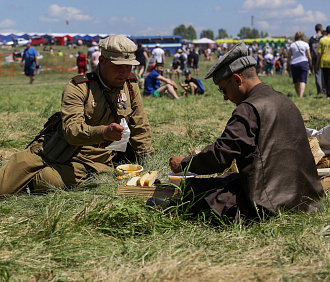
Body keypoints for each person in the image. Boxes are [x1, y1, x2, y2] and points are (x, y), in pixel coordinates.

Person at [168, 41, 324, 222]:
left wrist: (185, 163)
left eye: (223, 90)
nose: (225, 97)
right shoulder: (285, 100)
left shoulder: (249, 109)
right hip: (306, 199)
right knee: (229, 179)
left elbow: (220, 156)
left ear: (237, 80)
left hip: (269, 204)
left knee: (191, 189)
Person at [0, 34, 154, 195]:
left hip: (89, 161)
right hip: (52, 148)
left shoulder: (130, 86)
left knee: (46, 180)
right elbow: (72, 132)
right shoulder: (78, 87)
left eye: (128, 66)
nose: (124, 72)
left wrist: (145, 162)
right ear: (102, 61)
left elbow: (140, 126)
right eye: (118, 66)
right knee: (3, 187)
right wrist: (103, 133)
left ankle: (31, 186)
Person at [287, 32, 312, 98]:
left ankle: (298, 94)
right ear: (302, 37)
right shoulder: (306, 44)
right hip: (303, 62)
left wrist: (287, 65)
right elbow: (309, 56)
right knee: (302, 80)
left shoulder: (292, 45)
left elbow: (289, 56)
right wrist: (310, 64)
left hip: (294, 63)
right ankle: (301, 96)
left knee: (296, 81)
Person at [309, 24, 324, 94]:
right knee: (324, 75)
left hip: (314, 58)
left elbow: (310, 49)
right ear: (321, 29)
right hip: (323, 57)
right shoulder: (323, 38)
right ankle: (325, 90)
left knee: (317, 75)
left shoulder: (312, 38)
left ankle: (319, 91)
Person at [316, 25, 330, 100]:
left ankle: (328, 95)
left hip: (324, 61)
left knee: (326, 78)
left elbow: (319, 53)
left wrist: (317, 64)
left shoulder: (322, 40)